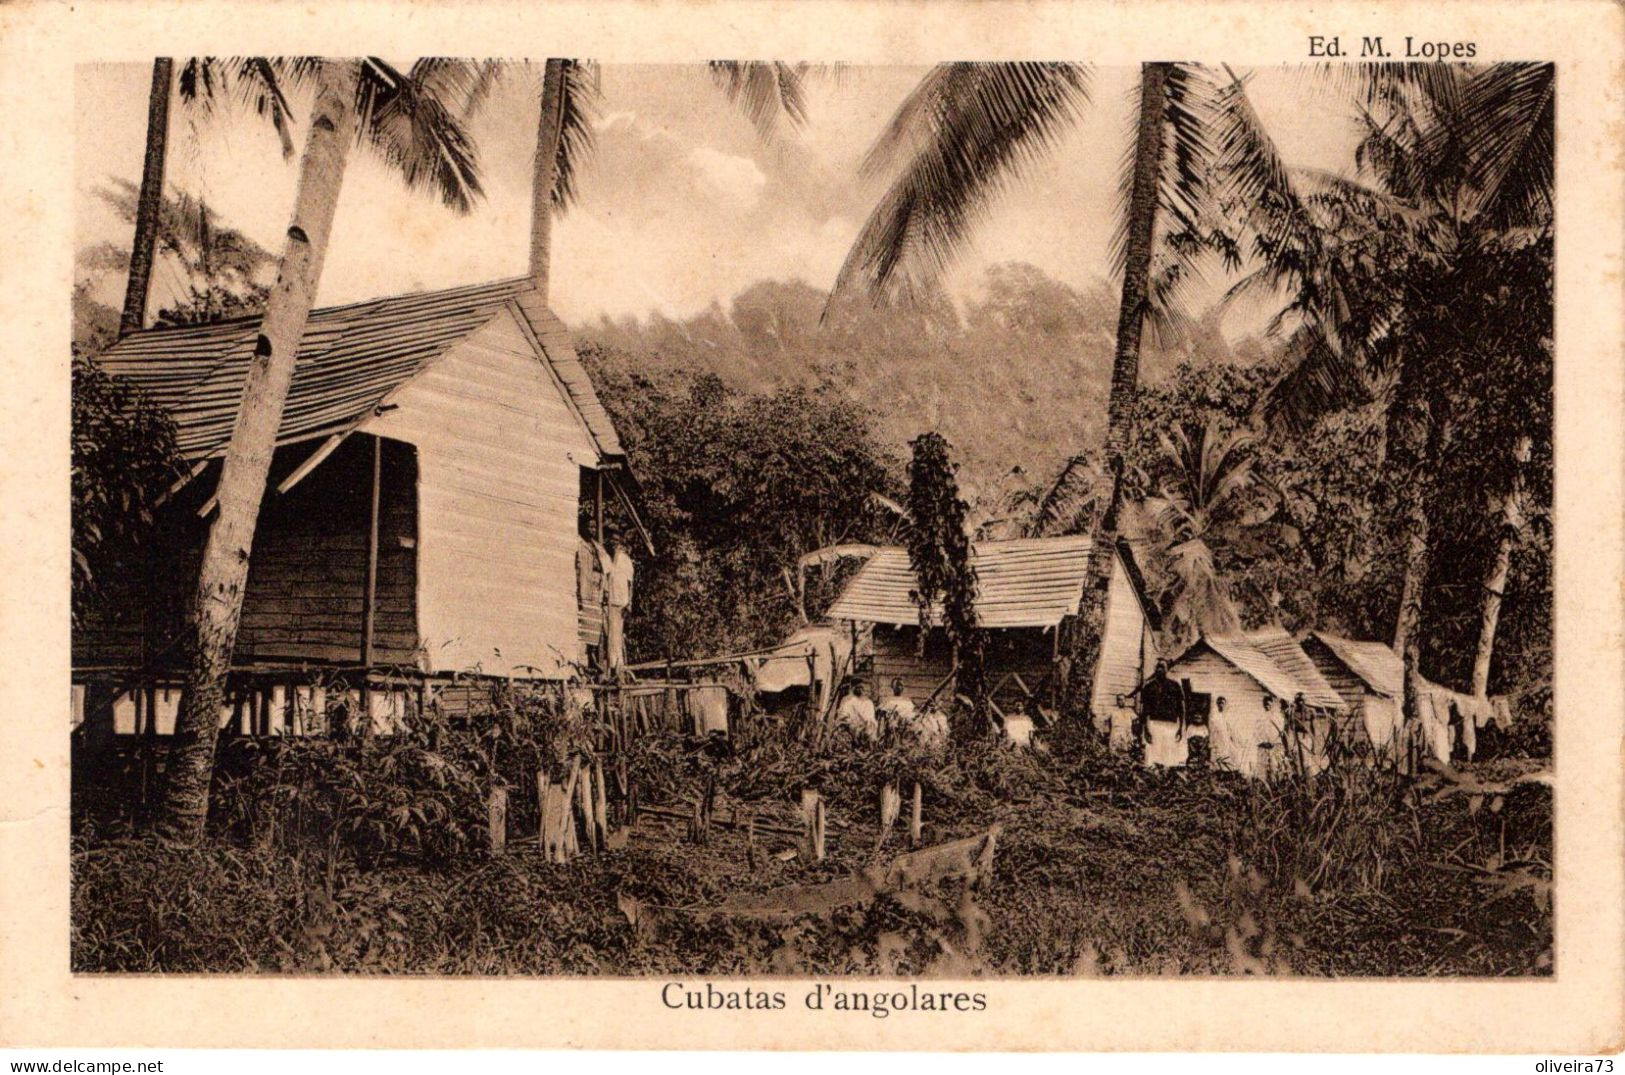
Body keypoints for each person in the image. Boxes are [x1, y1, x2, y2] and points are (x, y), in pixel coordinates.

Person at [603, 536, 634, 673]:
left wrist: (629, 603)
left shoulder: (625, 560)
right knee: (610, 632)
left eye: (617, 542)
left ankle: (618, 663)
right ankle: (612, 662)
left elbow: (630, 583)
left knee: (617, 631)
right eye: (612, 541)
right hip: (611, 600)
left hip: (621, 601)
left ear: (621, 543)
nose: (614, 544)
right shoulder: (610, 559)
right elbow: (607, 579)